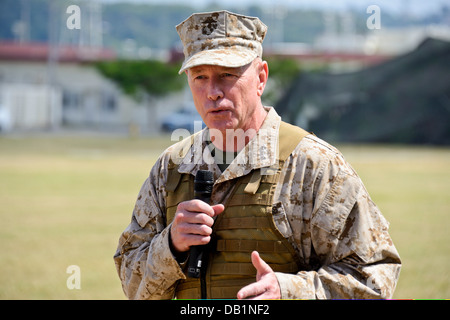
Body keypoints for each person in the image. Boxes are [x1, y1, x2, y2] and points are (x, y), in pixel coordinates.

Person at [114, 10, 401, 300]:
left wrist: (288, 292)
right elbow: (132, 285)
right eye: (200, 76)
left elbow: (375, 278)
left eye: (227, 75)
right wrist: (171, 247)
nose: (212, 92)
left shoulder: (312, 165)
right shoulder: (172, 168)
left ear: (261, 78)